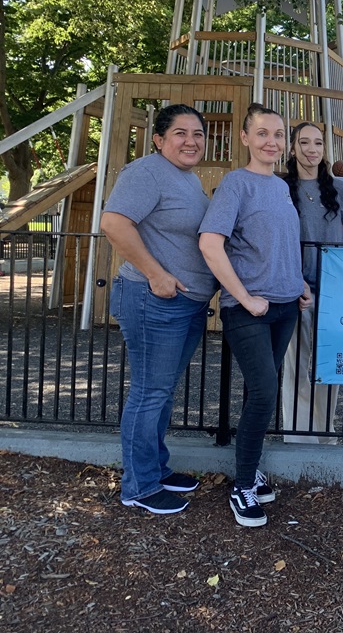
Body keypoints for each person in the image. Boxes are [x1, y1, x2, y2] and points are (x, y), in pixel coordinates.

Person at [199, 103, 313, 527]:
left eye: (278, 134)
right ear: (245, 138)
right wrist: (245, 298)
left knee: (259, 393)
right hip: (248, 310)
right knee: (265, 392)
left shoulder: (281, 188)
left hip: (285, 307)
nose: (272, 141)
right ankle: (242, 485)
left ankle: (250, 469)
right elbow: (210, 243)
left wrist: (299, 283)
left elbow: (282, 243)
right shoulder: (236, 184)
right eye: (262, 133)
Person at [102, 104, 218, 515]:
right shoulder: (146, 172)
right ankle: (139, 486)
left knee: (161, 391)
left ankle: (156, 469)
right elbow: (114, 223)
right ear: (159, 139)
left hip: (184, 304)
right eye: (180, 133)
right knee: (150, 392)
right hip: (153, 299)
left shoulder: (186, 178)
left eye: (198, 134)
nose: (191, 141)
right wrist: (156, 274)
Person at [282, 122, 343, 444]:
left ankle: (325, 434)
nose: (311, 149)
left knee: (329, 366)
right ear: (292, 148)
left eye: (317, 143)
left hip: (332, 291)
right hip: (294, 289)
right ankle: (298, 437)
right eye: (304, 142)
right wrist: (294, 281)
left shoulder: (341, 190)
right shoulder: (281, 188)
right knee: (296, 366)